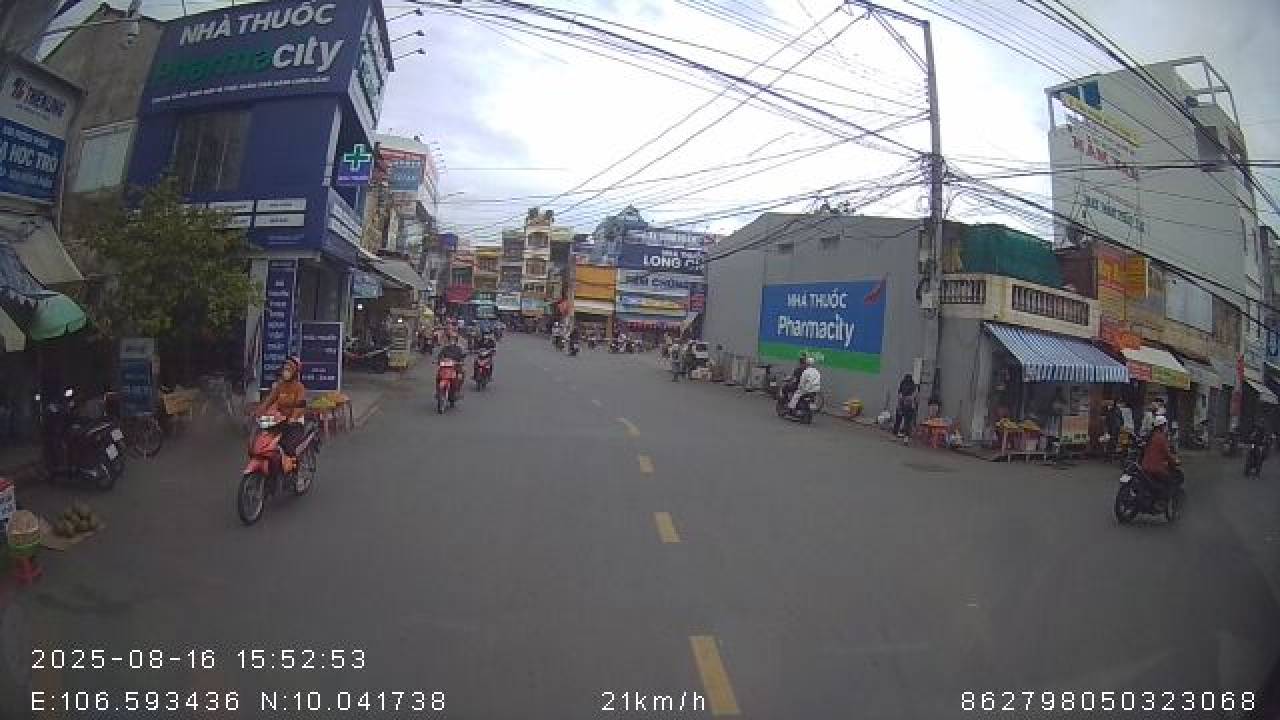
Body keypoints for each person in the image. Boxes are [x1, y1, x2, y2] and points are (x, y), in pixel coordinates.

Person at [258, 356, 306, 473]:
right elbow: (269, 400)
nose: (286, 372)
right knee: (266, 443)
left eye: (289, 369)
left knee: (288, 446)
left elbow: (300, 406)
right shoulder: (280, 386)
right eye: (285, 369)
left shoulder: (299, 387)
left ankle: (294, 471)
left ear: (295, 372)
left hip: (295, 423)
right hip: (279, 419)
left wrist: (293, 417)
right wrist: (259, 411)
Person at [1141, 415, 1178, 502]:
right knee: (1169, 481)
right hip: (1156, 468)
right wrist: (1175, 461)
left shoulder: (1150, 436)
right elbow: (1167, 454)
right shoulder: (1161, 438)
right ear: (1162, 426)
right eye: (1165, 425)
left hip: (1145, 466)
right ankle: (1164, 501)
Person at [892, 373, 917, 438]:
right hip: (905, 404)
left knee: (904, 421)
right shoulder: (910, 384)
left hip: (907, 405)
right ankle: (903, 435)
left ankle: (902, 435)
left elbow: (912, 395)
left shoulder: (908, 384)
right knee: (903, 421)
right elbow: (900, 394)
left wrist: (907, 400)